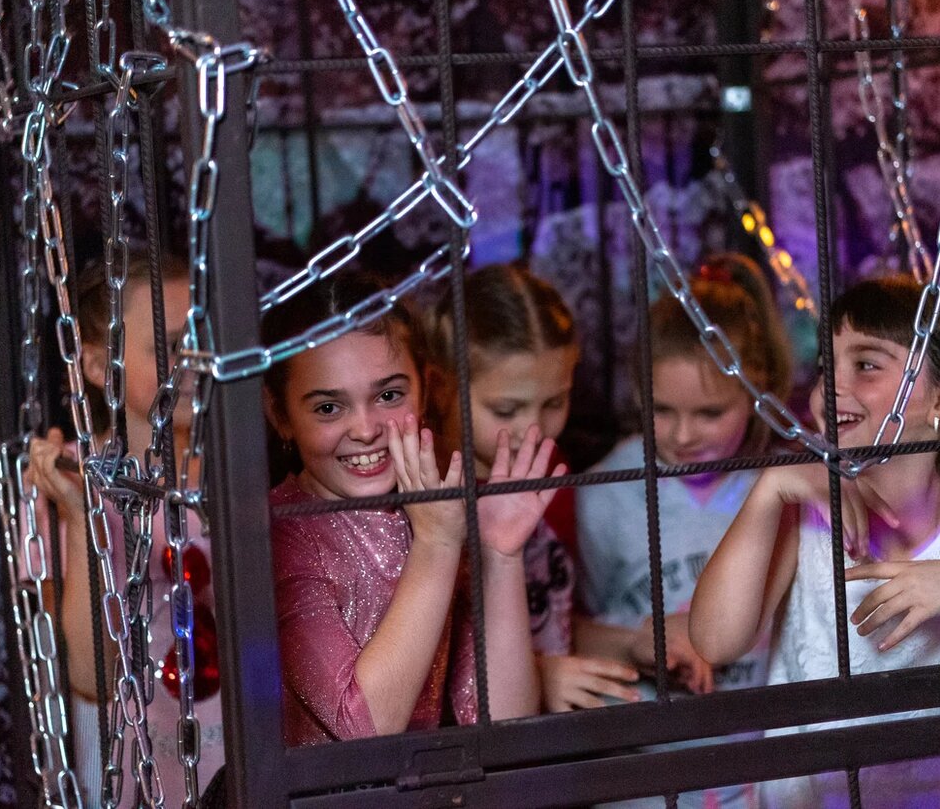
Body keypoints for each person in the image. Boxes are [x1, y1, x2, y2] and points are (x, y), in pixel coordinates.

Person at [689, 274, 940, 808]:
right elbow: (715, 641)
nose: (831, 386)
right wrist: (767, 492)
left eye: (867, 365)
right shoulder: (802, 507)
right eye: (826, 366)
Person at [262, 271, 550, 745]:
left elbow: (504, 721)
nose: (365, 429)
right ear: (281, 416)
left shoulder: (436, 512)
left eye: (389, 396)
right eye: (329, 408)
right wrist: (436, 545)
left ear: (426, 390)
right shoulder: (280, 533)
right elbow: (361, 731)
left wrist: (500, 556)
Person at [576, 256, 793, 808]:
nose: (682, 435)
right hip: (641, 779)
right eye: (662, 410)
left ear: (757, 389)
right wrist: (638, 641)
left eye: (710, 413)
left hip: (761, 774)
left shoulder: (785, 490)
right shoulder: (604, 493)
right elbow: (568, 632)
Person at [26, 254, 225, 805]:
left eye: (203, 340)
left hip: (239, 766)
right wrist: (78, 515)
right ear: (98, 367)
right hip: (131, 777)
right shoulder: (63, 477)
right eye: (172, 345)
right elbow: (90, 678)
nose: (196, 362)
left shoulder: (238, 466)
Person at [427, 263, 642, 713]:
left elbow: (555, 620)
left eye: (554, 402)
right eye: (506, 410)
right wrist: (540, 674)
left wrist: (636, 642)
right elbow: (432, 661)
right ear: (441, 388)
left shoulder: (553, 468)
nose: (534, 430)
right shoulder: (429, 492)